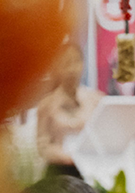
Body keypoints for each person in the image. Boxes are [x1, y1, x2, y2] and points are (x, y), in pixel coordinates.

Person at [36, 44, 104, 177]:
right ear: (56, 67)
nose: (72, 69)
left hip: (91, 169)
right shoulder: (47, 104)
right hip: (59, 173)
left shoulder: (96, 99)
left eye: (76, 61)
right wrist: (63, 156)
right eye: (66, 63)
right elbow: (42, 145)